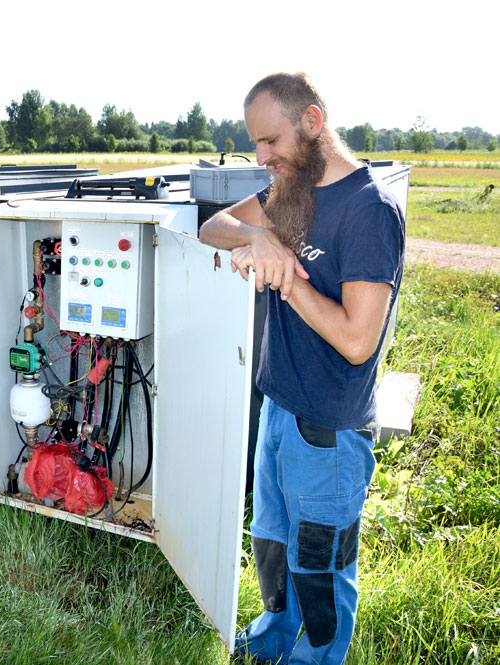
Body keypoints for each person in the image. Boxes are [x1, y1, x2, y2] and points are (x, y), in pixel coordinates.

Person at [198, 73, 405, 664]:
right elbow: (214, 226)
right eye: (255, 144)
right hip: (278, 409)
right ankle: (268, 640)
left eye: (270, 141)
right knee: (272, 545)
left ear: (313, 123)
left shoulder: (370, 211)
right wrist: (260, 238)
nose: (262, 158)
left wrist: (284, 276)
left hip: (329, 433)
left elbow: (357, 340)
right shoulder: (291, 191)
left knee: (319, 570)